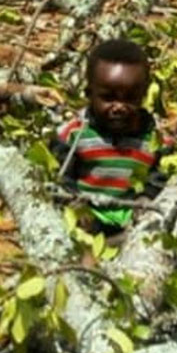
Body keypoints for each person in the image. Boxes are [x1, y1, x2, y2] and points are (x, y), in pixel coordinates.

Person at [51, 39, 165, 233]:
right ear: (89, 94)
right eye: (108, 98)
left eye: (129, 98)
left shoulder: (154, 139)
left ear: (143, 96)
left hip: (131, 213)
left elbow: (158, 177)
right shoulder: (73, 135)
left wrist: (145, 199)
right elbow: (61, 179)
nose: (119, 107)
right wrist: (74, 203)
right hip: (89, 213)